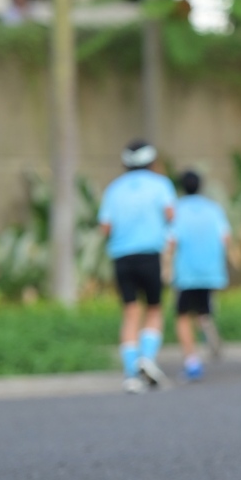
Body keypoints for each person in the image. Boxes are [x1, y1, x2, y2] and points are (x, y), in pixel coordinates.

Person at [97, 140, 177, 392]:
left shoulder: (114, 189)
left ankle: (131, 374)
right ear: (152, 161)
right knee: (154, 308)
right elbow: (171, 215)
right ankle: (147, 359)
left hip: (121, 256)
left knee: (130, 312)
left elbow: (105, 227)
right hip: (150, 255)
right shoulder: (161, 184)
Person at [169, 169, 231, 381]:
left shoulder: (177, 209)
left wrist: (166, 266)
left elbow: (171, 240)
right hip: (211, 270)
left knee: (182, 316)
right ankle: (207, 327)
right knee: (202, 309)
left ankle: (192, 362)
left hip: (186, 272)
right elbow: (225, 238)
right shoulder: (213, 208)